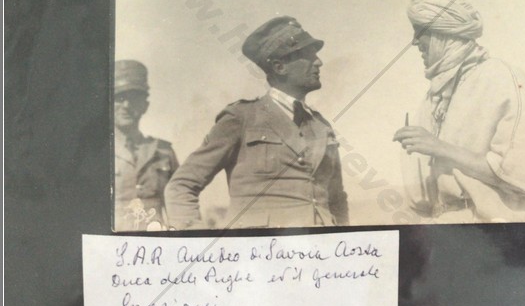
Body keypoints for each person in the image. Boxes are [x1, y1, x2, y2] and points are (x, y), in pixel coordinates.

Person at [165, 16, 349, 229]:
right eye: (308, 55)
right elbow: (181, 186)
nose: (319, 62)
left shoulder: (321, 126)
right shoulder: (241, 117)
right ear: (280, 67)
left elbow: (337, 199)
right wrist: (197, 239)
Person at [393, 0, 525, 223]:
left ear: (444, 33)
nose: (414, 42)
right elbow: (421, 199)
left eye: (420, 32)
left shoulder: (499, 77)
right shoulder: (432, 96)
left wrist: (439, 147)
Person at [114, 60, 179, 231]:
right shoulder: (96, 152)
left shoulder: (163, 151)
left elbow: (178, 206)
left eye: (134, 99)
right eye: (119, 98)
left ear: (145, 105)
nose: (126, 106)